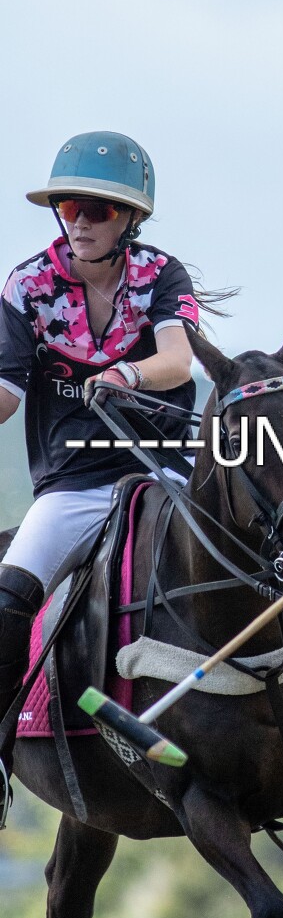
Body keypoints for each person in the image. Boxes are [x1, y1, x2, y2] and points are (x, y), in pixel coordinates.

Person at [0, 131, 200, 824]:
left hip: (167, 467)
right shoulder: (26, 285)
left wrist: (126, 375)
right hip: (74, 484)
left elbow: (177, 362)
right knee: (6, 598)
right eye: (68, 207)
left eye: (98, 210)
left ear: (130, 219)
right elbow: (6, 396)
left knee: (260, 524)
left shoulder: (162, 274)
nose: (79, 222)